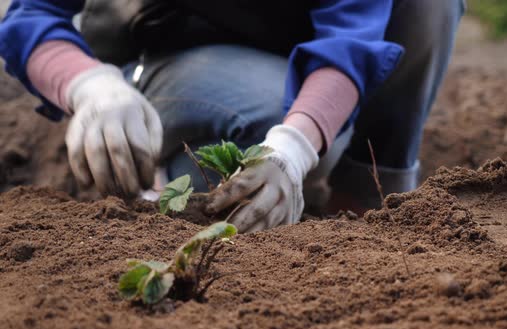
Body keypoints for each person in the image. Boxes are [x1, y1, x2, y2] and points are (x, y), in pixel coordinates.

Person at [0, 0, 465, 232]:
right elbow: (30, 16)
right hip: (167, 57)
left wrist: (295, 146)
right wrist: (88, 84)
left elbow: (353, 35)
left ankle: (363, 203)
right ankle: (163, 174)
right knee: (264, 116)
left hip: (290, 63)